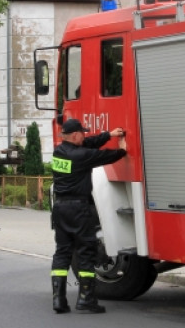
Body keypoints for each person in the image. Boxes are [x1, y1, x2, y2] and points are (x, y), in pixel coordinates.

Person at [49, 119, 127, 314]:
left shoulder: (59, 152)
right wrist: (122, 150)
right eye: (82, 133)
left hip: (60, 209)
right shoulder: (81, 156)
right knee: (86, 251)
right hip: (78, 209)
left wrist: (109, 135)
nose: (84, 135)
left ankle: (58, 300)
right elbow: (102, 156)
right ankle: (86, 298)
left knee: (62, 252)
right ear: (75, 135)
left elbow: (89, 144)